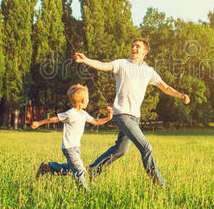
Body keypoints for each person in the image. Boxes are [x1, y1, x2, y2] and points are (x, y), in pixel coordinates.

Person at [74, 38, 190, 187]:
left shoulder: (149, 71)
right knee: (146, 147)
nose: (134, 48)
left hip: (135, 117)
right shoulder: (122, 64)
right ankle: (159, 183)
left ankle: (92, 170)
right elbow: (103, 65)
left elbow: (165, 87)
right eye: (133, 46)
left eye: (138, 46)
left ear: (145, 52)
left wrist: (180, 95)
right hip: (122, 114)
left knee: (120, 150)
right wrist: (86, 60)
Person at [32, 84, 113, 191]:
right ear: (83, 100)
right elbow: (55, 119)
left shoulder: (83, 114)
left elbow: (96, 121)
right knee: (80, 168)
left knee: (71, 170)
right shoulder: (71, 114)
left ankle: (47, 168)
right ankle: (84, 192)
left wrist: (108, 117)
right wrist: (39, 123)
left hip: (76, 148)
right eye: (88, 99)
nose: (88, 101)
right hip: (69, 148)